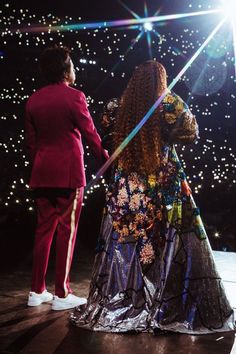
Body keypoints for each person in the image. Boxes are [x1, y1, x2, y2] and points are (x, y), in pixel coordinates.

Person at [70, 60, 235, 333]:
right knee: (169, 242)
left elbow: (108, 138)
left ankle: (127, 299)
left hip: (128, 186)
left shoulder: (118, 107)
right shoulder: (169, 104)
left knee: (126, 244)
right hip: (163, 183)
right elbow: (190, 132)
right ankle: (165, 303)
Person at [25, 46, 109, 310]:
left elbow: (32, 144)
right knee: (66, 233)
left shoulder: (33, 100)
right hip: (69, 175)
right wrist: (106, 159)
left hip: (41, 173)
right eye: (72, 64)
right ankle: (62, 294)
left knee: (43, 232)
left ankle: (36, 291)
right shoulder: (75, 97)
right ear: (65, 69)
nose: (75, 69)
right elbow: (91, 134)